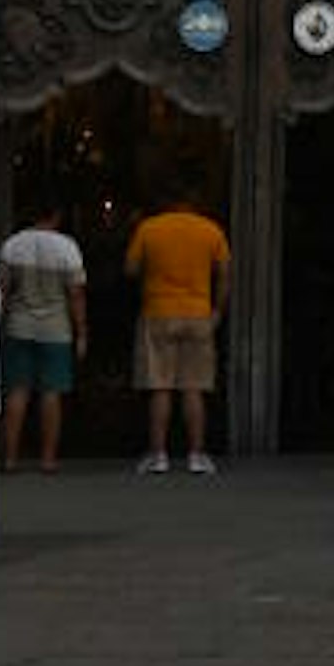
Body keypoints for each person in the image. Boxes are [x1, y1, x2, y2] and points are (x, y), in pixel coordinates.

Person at [124, 187, 229, 477]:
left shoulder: (149, 228)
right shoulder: (211, 230)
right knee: (193, 387)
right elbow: (224, 274)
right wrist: (217, 311)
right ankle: (197, 455)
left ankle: (159, 455)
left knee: (160, 386)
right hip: (198, 312)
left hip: (157, 312)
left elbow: (131, 269)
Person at [0, 194, 88, 472]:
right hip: (56, 329)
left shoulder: (13, 245)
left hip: (19, 325)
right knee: (51, 393)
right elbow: (76, 295)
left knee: (17, 392)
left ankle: (9, 458)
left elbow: (3, 289)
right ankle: (48, 458)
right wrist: (82, 333)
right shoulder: (67, 248)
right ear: (55, 215)